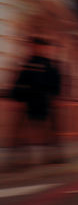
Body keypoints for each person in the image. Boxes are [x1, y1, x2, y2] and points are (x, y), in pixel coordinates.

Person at [8, 37, 63, 169]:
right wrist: (18, 96)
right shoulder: (30, 63)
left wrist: (54, 96)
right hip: (31, 100)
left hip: (43, 101)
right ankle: (23, 159)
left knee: (46, 131)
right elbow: (20, 82)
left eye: (38, 46)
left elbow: (55, 83)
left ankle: (50, 157)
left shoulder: (48, 65)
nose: (36, 49)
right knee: (28, 131)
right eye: (34, 46)